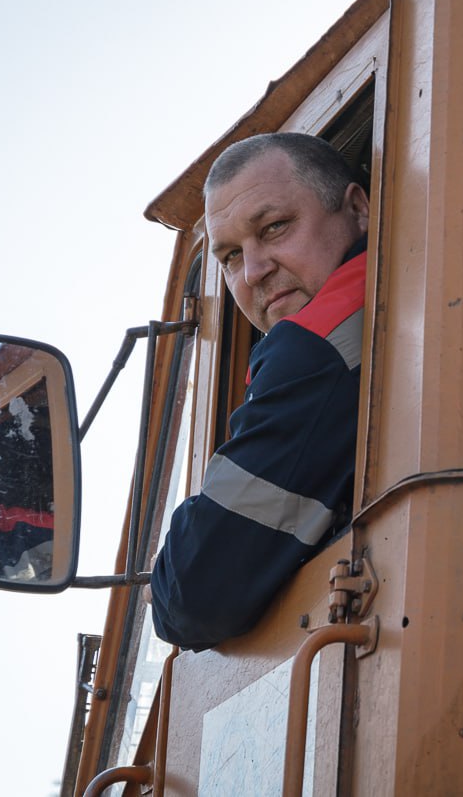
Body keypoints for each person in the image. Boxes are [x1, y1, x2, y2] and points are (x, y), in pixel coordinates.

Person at [150, 132, 370, 651]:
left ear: (358, 210)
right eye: (230, 256)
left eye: (274, 228)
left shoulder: (315, 348)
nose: (252, 272)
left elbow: (193, 594)